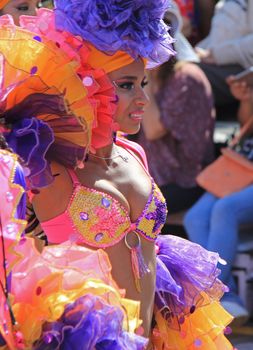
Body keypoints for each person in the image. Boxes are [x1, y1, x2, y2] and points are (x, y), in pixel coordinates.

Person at [0, 2, 233, 349]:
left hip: (155, 335)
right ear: (86, 85)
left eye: (144, 82)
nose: (142, 98)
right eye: (126, 85)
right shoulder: (47, 168)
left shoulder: (134, 153)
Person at [184, 76, 253, 325]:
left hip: (245, 177)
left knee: (226, 209)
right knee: (196, 217)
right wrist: (246, 98)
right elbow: (247, 124)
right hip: (241, 169)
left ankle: (216, 295)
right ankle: (226, 293)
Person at [137, 1, 215, 215]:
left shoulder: (186, 77)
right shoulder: (153, 77)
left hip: (185, 179)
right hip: (154, 176)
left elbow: (153, 130)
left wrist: (146, 77)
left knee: (131, 207)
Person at [195, 0, 253, 120]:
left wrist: (217, 55)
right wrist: (196, 52)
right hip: (217, 63)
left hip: (242, 71)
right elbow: (219, 36)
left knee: (186, 76)